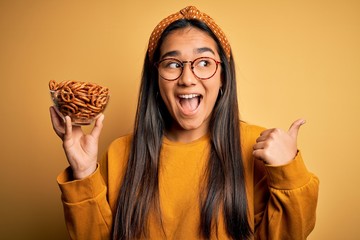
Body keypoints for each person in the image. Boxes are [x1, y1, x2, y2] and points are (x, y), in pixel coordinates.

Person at [50, 6, 319, 240]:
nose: (187, 78)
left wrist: (289, 174)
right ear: (155, 78)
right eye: (172, 64)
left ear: (223, 76)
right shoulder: (120, 153)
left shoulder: (258, 148)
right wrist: (84, 172)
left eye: (203, 62)